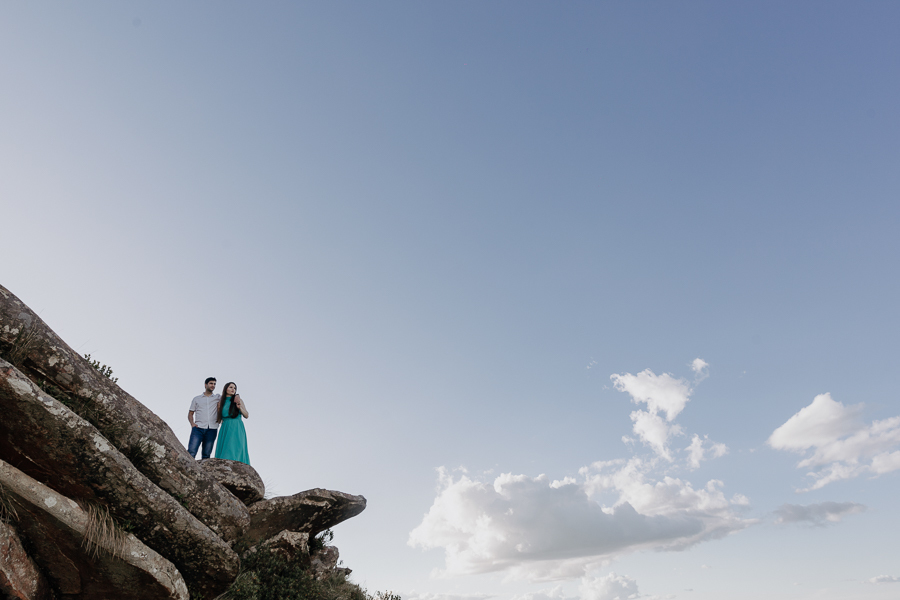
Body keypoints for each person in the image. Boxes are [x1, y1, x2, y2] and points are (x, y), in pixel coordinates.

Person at [214, 381, 250, 464]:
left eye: (234, 388)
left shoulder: (238, 400)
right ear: (225, 388)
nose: (233, 389)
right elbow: (219, 419)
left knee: (236, 448)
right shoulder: (220, 403)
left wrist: (239, 407)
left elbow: (246, 415)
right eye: (231, 387)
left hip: (237, 426)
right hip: (225, 427)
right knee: (226, 449)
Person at [187, 377, 221, 459]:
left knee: (206, 455)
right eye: (211, 383)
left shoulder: (218, 397)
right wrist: (192, 424)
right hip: (198, 428)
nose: (213, 385)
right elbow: (190, 413)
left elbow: (228, 398)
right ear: (205, 385)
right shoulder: (197, 399)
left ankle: (201, 472)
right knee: (191, 452)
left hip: (212, 429)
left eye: (214, 384)